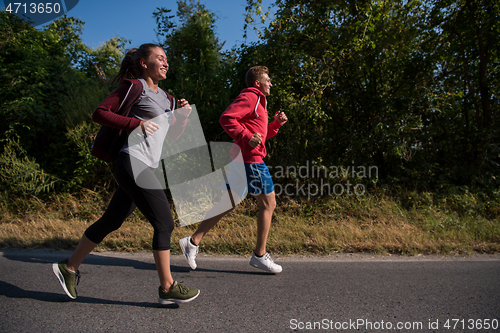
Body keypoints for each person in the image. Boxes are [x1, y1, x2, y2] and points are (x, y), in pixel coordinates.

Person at [52, 43, 200, 305]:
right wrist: (137, 123)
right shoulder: (135, 87)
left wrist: (183, 117)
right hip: (132, 161)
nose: (166, 63)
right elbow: (99, 113)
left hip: (146, 164)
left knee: (112, 221)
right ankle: (167, 287)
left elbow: (171, 138)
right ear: (144, 63)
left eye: (167, 59)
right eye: (160, 58)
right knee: (165, 223)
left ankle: (69, 267)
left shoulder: (167, 98)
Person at [179, 66, 288, 273]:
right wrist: (246, 136)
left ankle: (192, 242)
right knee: (268, 203)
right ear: (257, 83)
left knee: (228, 202)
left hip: (243, 158)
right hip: (250, 160)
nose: (271, 83)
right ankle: (260, 255)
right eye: (268, 79)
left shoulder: (260, 103)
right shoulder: (251, 97)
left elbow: (259, 138)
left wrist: (275, 125)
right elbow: (226, 118)